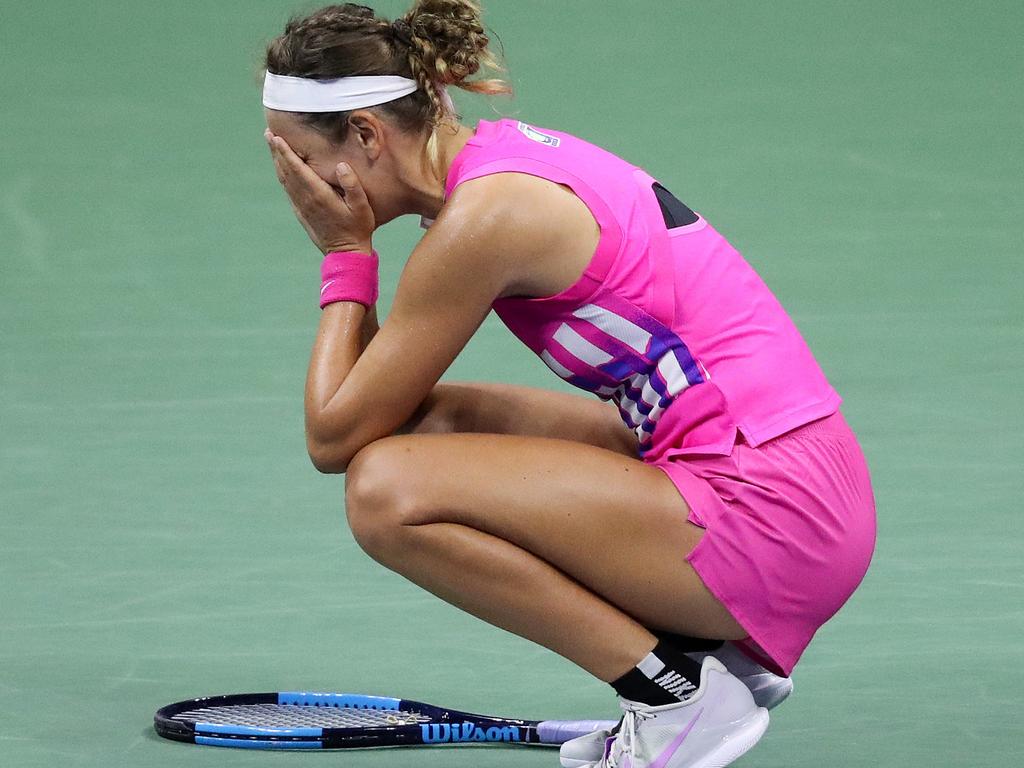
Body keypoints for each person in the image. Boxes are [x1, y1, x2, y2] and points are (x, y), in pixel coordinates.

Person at [260, 2, 877, 766]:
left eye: (296, 160)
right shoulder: (508, 164)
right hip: (807, 487)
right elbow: (369, 409)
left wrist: (346, 252)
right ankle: (715, 657)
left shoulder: (490, 219)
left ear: (364, 135)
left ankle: (675, 694)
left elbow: (332, 438)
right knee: (423, 426)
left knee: (383, 489)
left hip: (774, 516)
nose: (297, 186)